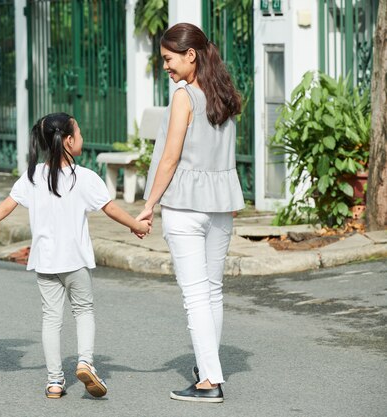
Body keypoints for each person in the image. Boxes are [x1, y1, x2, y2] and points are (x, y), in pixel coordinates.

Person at [0, 112, 151, 399]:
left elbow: (6, 207)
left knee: (51, 318)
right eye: (78, 134)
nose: (81, 138)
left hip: (44, 261)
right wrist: (137, 225)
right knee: (83, 311)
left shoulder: (32, 176)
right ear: (68, 141)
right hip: (76, 260)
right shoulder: (85, 178)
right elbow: (111, 209)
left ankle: (54, 382)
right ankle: (85, 362)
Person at [136, 23, 245, 403]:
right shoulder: (224, 95)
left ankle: (209, 381)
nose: (165, 66)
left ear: (190, 55)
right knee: (212, 292)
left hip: (185, 204)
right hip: (220, 206)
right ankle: (207, 365)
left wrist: (149, 205)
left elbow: (169, 158)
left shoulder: (184, 96)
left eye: (168, 59)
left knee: (195, 296)